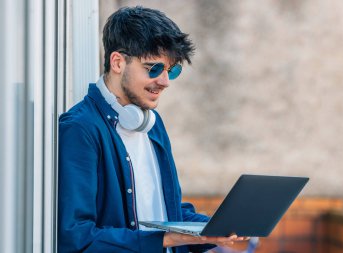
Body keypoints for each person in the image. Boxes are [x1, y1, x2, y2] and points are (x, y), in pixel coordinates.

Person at [58, 6, 247, 253]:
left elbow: (169, 211)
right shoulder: (80, 129)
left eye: (172, 70)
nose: (165, 81)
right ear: (117, 62)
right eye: (154, 68)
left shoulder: (152, 125)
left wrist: (217, 228)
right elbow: (77, 238)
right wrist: (165, 239)